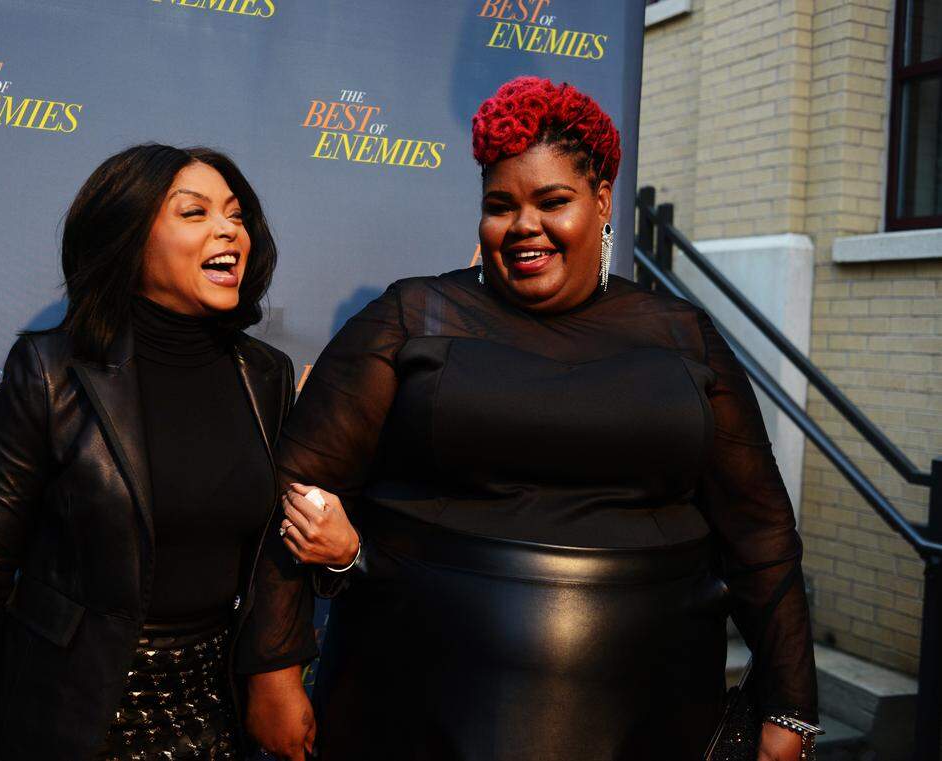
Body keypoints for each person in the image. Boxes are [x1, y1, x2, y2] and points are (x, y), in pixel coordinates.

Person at [239, 78, 821, 761]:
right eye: (500, 206)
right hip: (405, 706)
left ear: (602, 201)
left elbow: (760, 528)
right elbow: (300, 483)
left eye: (553, 201)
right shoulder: (413, 316)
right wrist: (273, 667)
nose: (523, 227)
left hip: (653, 714)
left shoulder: (682, 334)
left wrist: (790, 701)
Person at [0, 144, 294, 760]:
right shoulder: (49, 372)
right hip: (80, 712)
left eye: (235, 213)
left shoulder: (267, 376)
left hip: (216, 710)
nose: (230, 228)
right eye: (194, 213)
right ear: (129, 238)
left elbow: (276, 560)